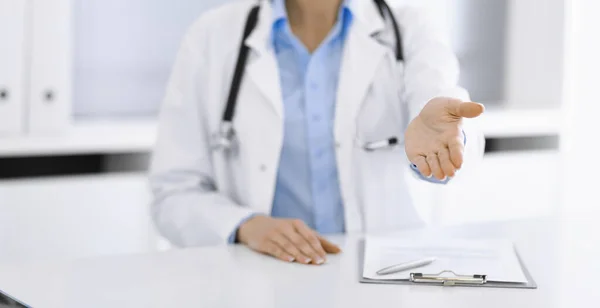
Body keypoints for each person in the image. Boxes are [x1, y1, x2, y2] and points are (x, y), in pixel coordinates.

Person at [149, 0, 484, 266]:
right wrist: (245, 226)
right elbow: (173, 193)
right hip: (259, 276)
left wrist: (443, 147)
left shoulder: (412, 27)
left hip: (383, 278)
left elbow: (442, 111)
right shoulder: (213, 36)